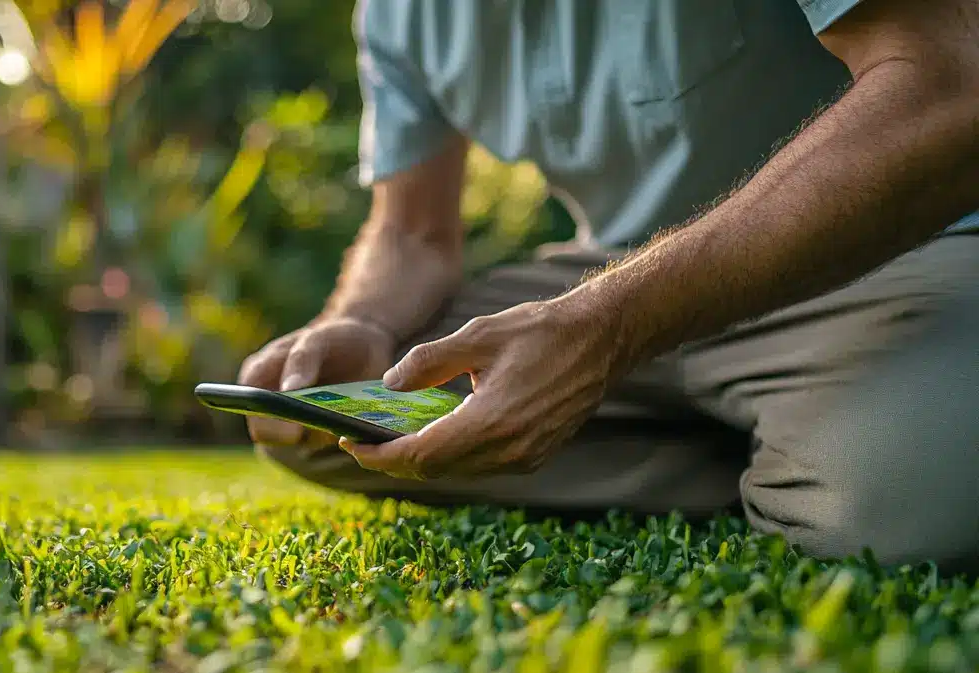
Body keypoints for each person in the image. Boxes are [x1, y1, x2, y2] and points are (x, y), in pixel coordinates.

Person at [237, 0, 979, 569]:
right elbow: (412, 231)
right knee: (318, 426)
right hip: (602, 278)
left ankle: (764, 442)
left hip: (875, 262)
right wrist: (361, 320)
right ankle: (774, 445)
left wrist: (605, 330)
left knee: (904, 500)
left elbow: (949, 82)